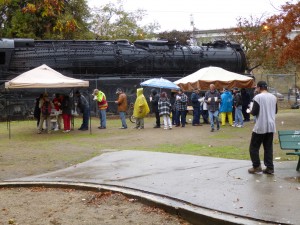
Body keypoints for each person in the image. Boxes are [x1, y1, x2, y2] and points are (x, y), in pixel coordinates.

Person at [248, 81, 277, 174]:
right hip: (271, 125)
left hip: (261, 125)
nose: (256, 89)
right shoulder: (273, 97)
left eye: (256, 87)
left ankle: (256, 166)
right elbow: (275, 111)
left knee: (253, 147)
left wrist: (250, 111)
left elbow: (255, 112)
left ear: (259, 88)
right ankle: (270, 167)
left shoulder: (258, 97)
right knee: (268, 147)